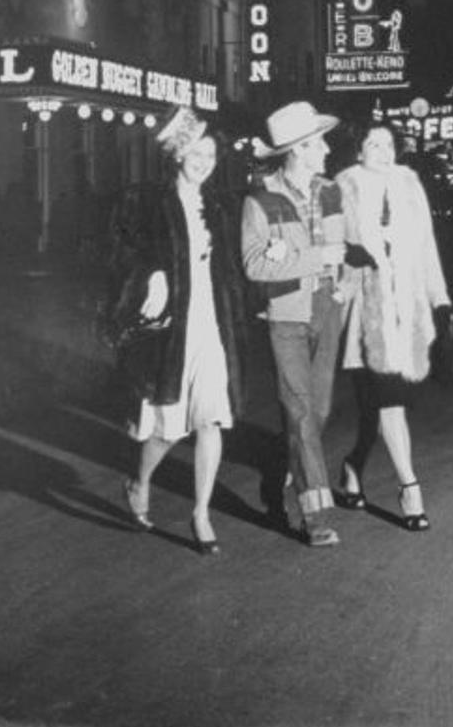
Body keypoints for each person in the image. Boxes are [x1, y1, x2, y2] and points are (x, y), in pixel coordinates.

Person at [116, 106, 249, 557]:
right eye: (197, 152)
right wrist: (152, 273)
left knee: (210, 419)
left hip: (212, 325)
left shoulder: (219, 205)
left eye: (211, 154)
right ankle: (140, 481)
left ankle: (201, 513)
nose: (205, 161)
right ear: (177, 154)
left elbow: (232, 268)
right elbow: (126, 250)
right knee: (168, 430)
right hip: (173, 330)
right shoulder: (151, 202)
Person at [240, 101, 350, 550]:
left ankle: (298, 465)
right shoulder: (259, 200)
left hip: (327, 307)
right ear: (299, 150)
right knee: (302, 413)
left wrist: (344, 282)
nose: (325, 148)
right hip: (285, 314)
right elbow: (252, 265)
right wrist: (311, 260)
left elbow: (342, 249)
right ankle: (315, 515)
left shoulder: (330, 193)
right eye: (317, 142)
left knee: (319, 410)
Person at [336, 123, 453, 532]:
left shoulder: (409, 185)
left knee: (378, 406)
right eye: (373, 143)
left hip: (406, 313)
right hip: (365, 314)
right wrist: (352, 256)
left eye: (388, 144)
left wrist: (441, 301)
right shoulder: (344, 187)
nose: (383, 151)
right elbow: (334, 249)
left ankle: (352, 467)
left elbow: (427, 247)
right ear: (358, 151)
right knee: (388, 401)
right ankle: (410, 488)